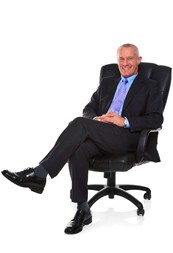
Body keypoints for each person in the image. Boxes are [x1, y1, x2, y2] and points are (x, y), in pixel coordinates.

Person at [1, 43, 163, 234]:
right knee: (77, 147)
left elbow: (156, 118)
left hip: (127, 138)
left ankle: (40, 173)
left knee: (79, 124)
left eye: (130, 58)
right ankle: (82, 209)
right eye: (121, 58)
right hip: (102, 133)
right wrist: (97, 119)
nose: (125, 63)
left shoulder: (150, 86)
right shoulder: (108, 82)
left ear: (138, 60)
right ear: (117, 60)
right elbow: (89, 109)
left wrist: (124, 120)